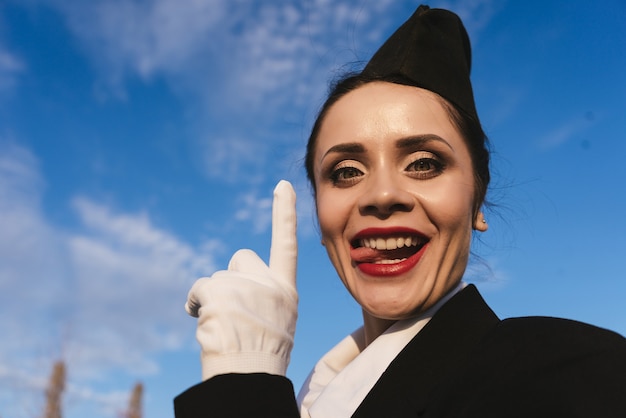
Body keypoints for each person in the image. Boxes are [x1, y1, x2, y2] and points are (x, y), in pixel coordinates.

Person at [174, 5, 626, 417]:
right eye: (346, 172)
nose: (382, 194)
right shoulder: (311, 402)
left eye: (425, 163)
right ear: (321, 216)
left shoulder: (569, 372)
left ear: (478, 204)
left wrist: (242, 384)